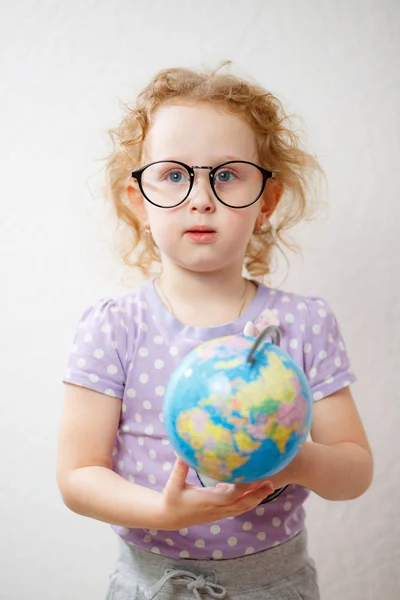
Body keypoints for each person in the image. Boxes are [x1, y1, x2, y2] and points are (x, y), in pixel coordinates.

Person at [56, 65, 373, 600]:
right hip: (151, 587)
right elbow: (78, 476)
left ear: (266, 202)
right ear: (139, 202)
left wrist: (293, 458)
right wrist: (164, 511)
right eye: (174, 175)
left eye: (227, 175)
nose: (201, 197)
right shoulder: (114, 327)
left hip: (275, 586)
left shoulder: (302, 325)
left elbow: (355, 471)